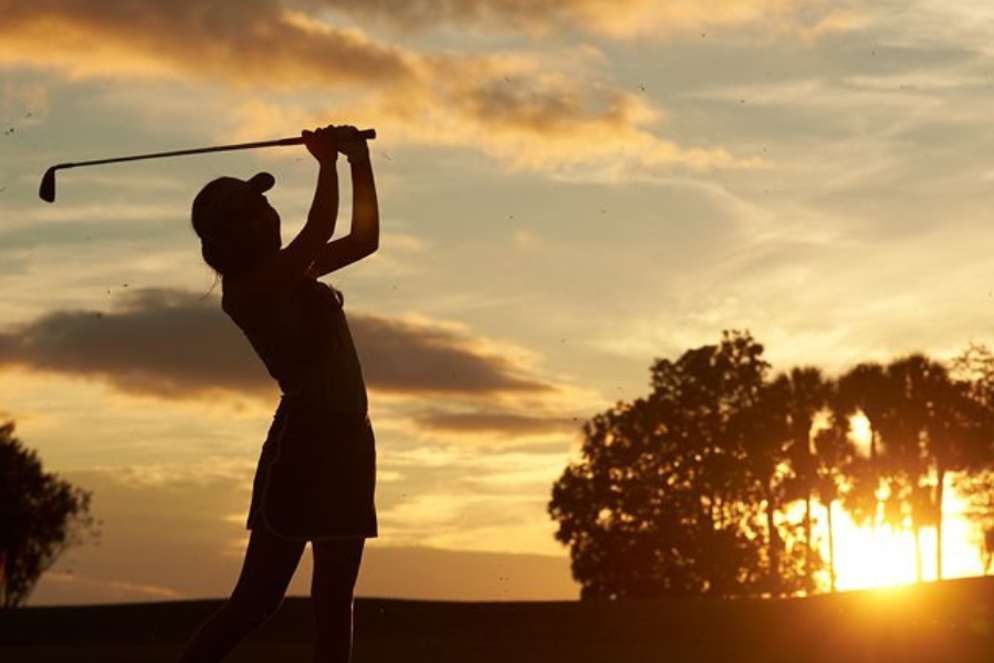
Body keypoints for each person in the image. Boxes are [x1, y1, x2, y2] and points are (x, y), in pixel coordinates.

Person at [177, 124, 379, 663]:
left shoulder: (293, 273)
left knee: (336, 598)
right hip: (304, 448)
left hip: (351, 442)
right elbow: (319, 229)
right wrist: (326, 161)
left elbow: (365, 239)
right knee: (257, 601)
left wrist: (357, 160)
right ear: (232, 233)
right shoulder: (249, 291)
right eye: (255, 208)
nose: (269, 212)